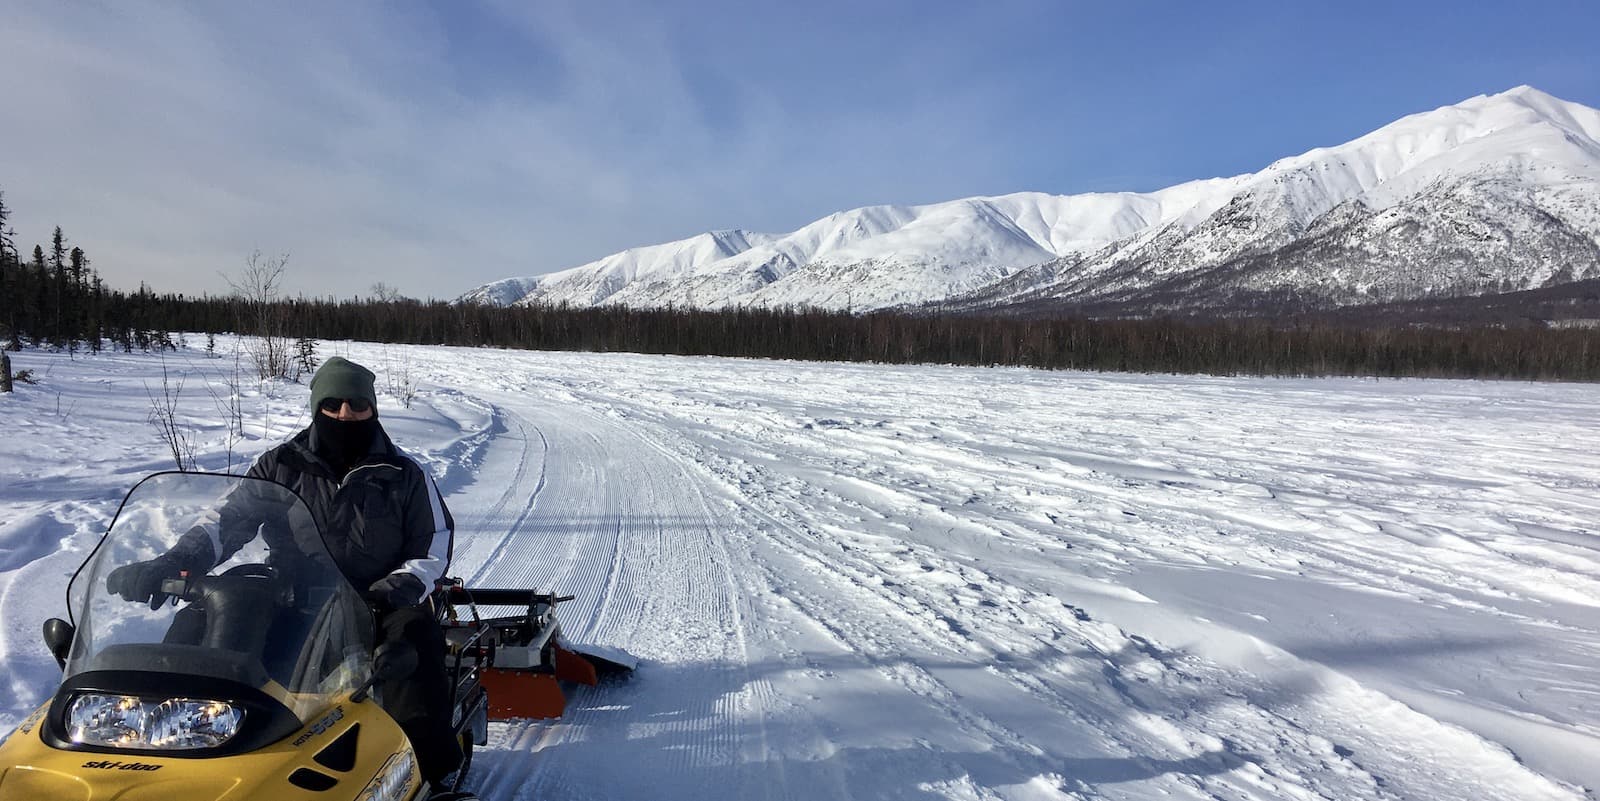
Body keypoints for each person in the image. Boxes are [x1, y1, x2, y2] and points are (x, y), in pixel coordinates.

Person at [105, 356, 462, 784]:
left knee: (412, 648)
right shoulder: (280, 465)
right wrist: (177, 560)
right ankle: (165, 737)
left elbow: (433, 547)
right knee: (208, 615)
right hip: (295, 592)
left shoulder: (403, 474)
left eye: (356, 405)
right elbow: (226, 521)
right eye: (332, 404)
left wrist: (392, 592)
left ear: (372, 409)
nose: (344, 415)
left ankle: (425, 771)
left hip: (378, 601)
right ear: (317, 408)